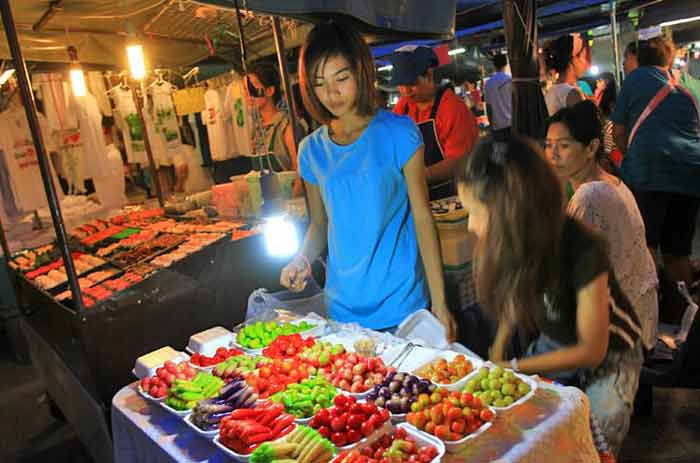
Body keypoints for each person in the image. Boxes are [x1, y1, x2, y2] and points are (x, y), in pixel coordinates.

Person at [457, 135, 643, 456]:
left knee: (590, 441)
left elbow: (591, 350)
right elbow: (515, 298)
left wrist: (515, 364)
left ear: (510, 211)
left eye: (475, 212)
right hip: (557, 340)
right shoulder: (515, 240)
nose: (471, 225)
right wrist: (498, 352)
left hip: (611, 357)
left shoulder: (582, 247)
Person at [279, 21, 457, 338]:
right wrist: (301, 260)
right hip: (342, 310)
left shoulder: (399, 133)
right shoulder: (311, 151)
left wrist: (440, 304)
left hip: (402, 304)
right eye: (319, 83)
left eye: (341, 78)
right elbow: (319, 225)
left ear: (361, 71)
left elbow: (422, 217)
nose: (331, 93)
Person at [545, 101, 658, 351]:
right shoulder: (611, 181)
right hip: (641, 314)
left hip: (623, 332)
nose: (552, 154)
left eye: (563, 146)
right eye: (548, 145)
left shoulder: (589, 196)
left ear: (591, 148)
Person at [611, 36, 700, 315]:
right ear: (669, 60)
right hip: (690, 174)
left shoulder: (634, 81)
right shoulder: (687, 87)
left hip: (649, 172)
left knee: (646, 244)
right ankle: (686, 313)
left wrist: (629, 154)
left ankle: (651, 311)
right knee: (678, 249)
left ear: (639, 59)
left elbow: (617, 132)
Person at [390, 45, 480, 199]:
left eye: (411, 83)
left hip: (456, 196)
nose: (405, 91)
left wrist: (423, 175)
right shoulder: (402, 108)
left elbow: (459, 161)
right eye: (401, 85)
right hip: (420, 196)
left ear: (429, 76)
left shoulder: (452, 108)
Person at [245, 62, 298, 172]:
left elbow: (300, 170)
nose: (248, 95)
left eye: (252, 88)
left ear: (269, 91)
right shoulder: (256, 130)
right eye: (245, 89)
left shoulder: (287, 126)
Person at [542, 33, 591, 115]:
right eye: (584, 56)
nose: (586, 62)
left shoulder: (552, 91)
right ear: (572, 60)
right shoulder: (572, 93)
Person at [483, 53, 512, 141]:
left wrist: (491, 125)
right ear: (506, 64)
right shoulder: (510, 80)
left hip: (497, 127)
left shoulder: (488, 84)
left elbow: (488, 107)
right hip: (512, 124)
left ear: (494, 65)